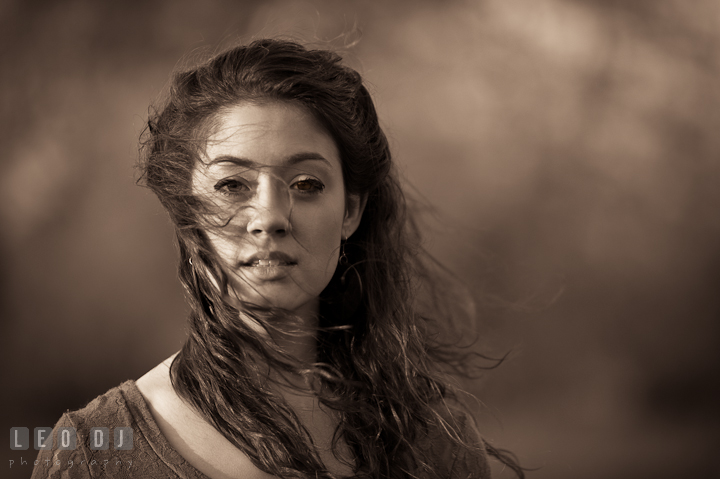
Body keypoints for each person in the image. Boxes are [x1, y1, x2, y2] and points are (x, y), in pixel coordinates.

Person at [31, 39, 522, 478]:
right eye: (231, 185)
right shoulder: (95, 452)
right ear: (187, 211)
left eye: (306, 185)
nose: (270, 216)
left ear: (350, 210)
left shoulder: (433, 441)